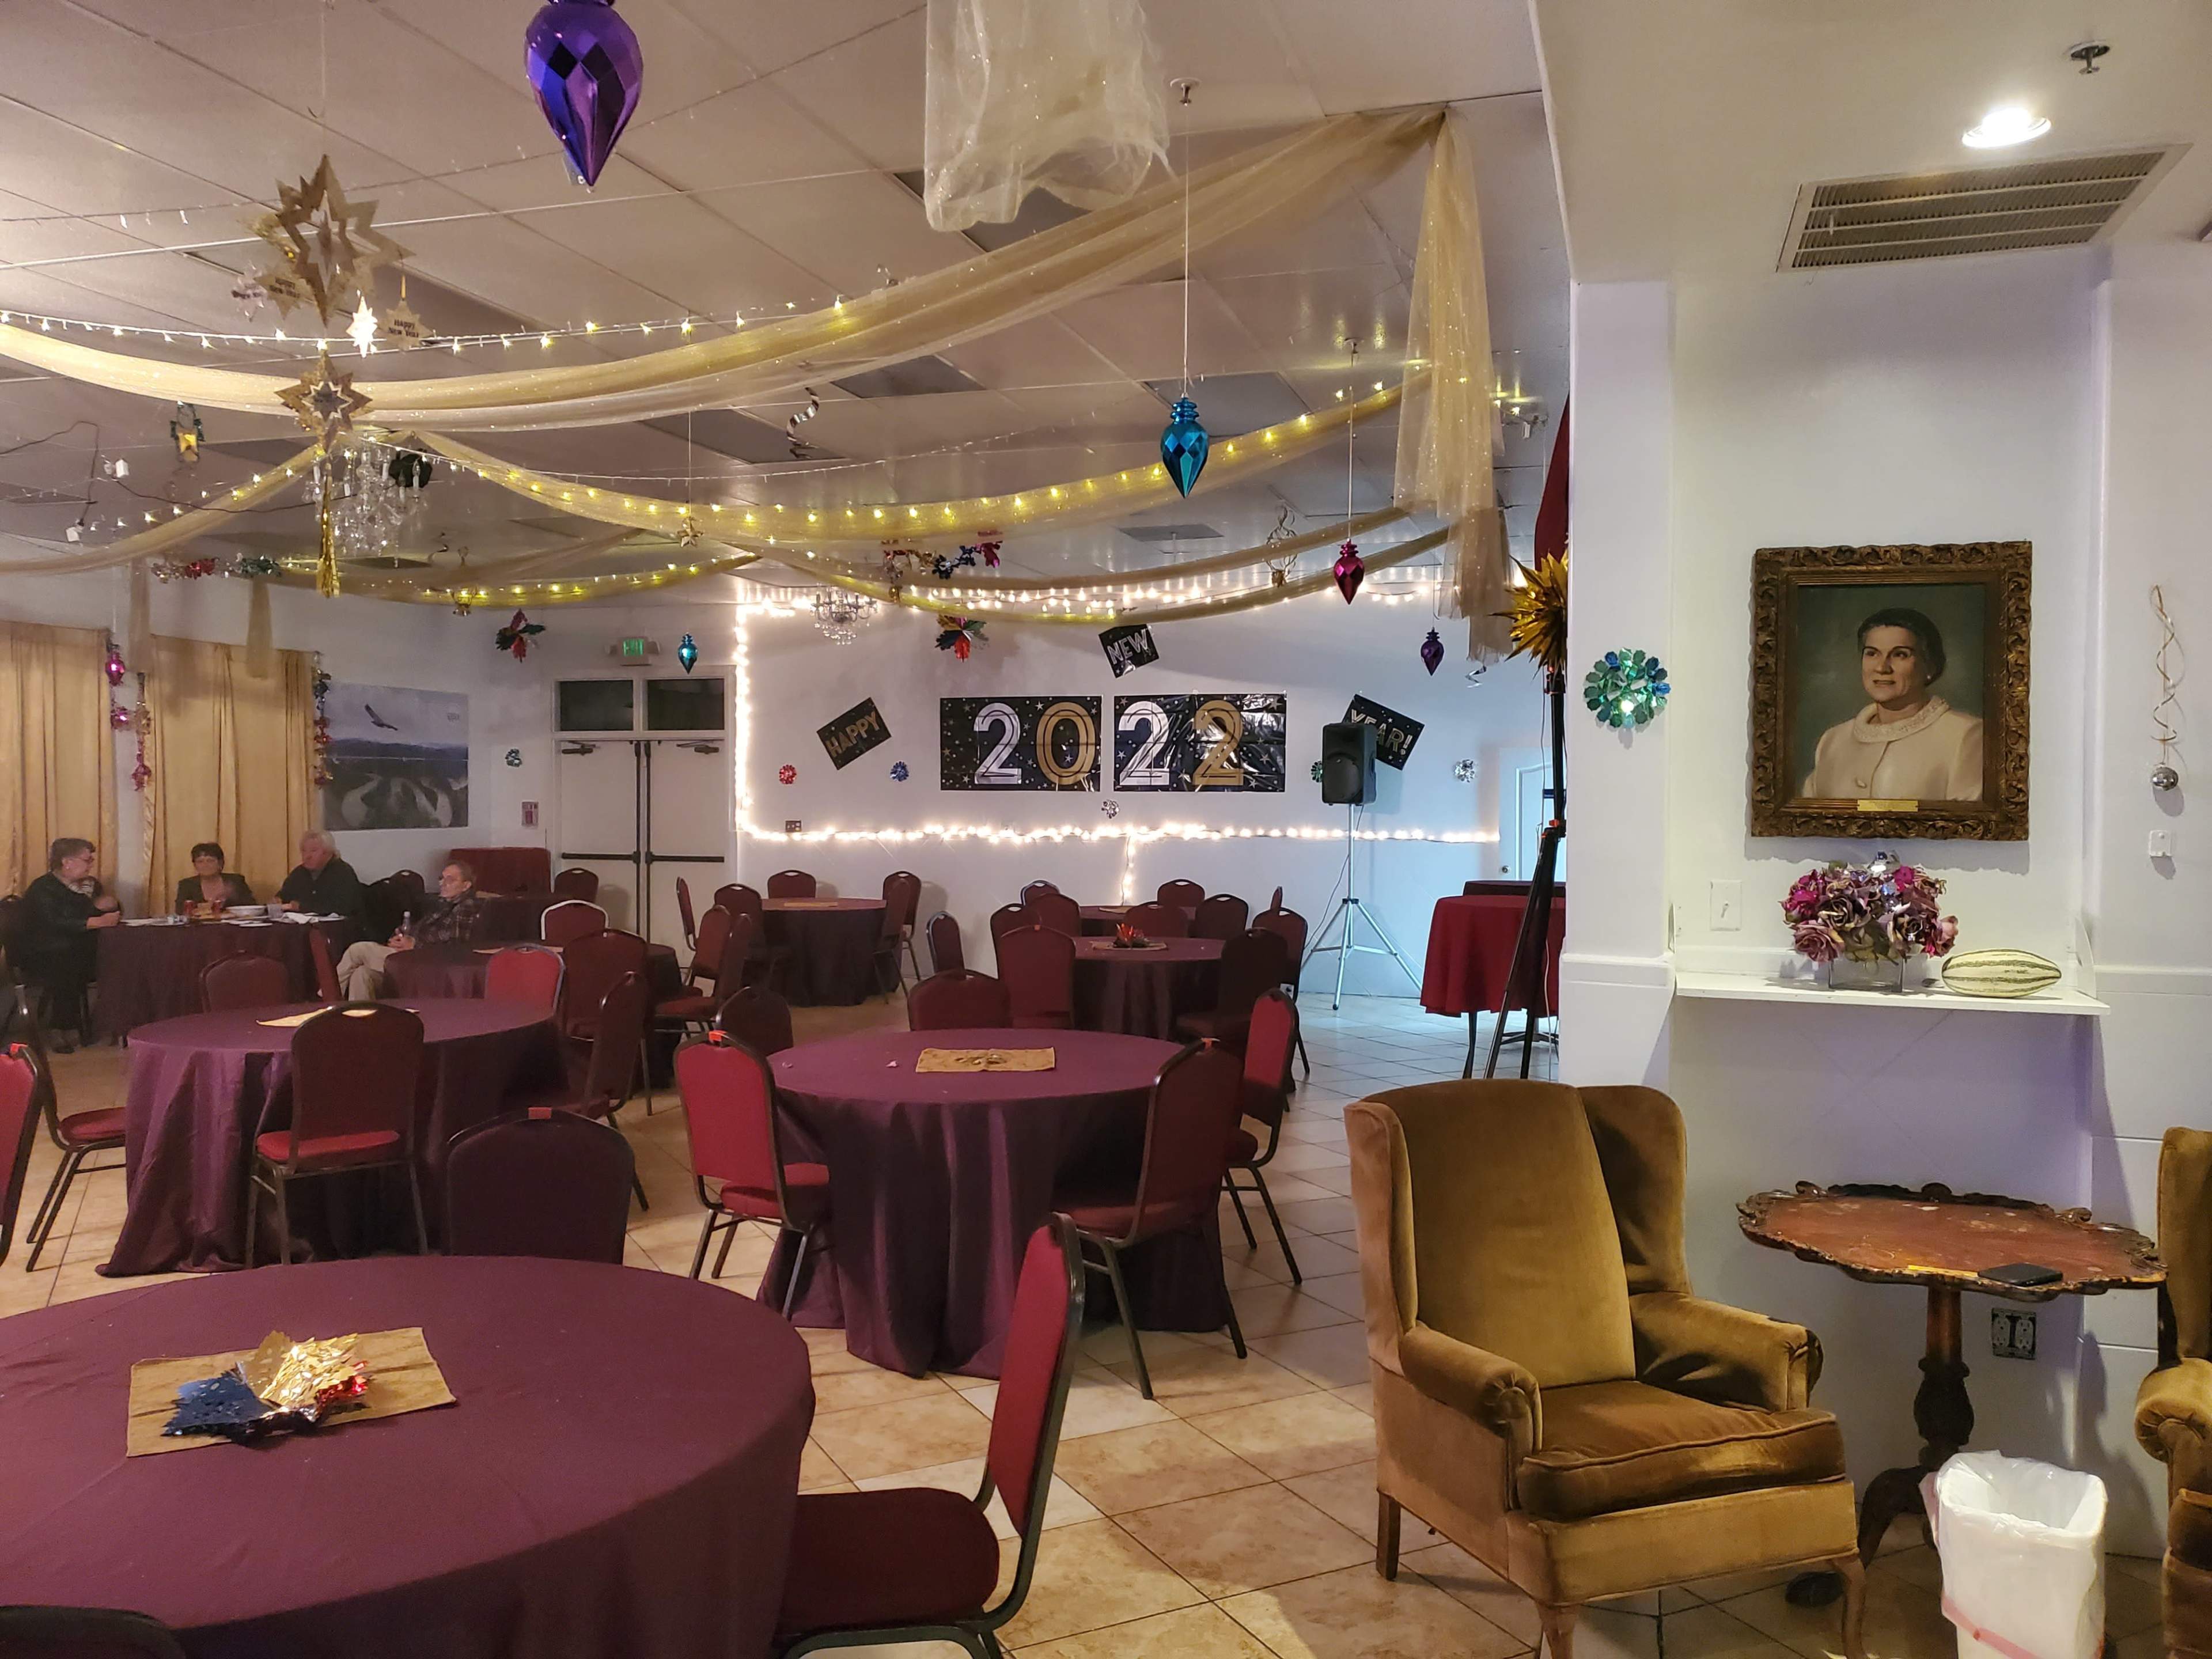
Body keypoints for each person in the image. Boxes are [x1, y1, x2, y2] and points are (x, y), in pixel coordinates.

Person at [1802, 607, 1984, 802]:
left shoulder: (1967, 735)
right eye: (1872, 653)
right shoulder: (1833, 740)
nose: (1882, 668)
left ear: (1930, 666)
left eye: (1900, 655)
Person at [18, 838, 123, 1051]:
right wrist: (95, 921)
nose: (91, 864)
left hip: (76, 949)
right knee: (65, 963)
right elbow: (54, 922)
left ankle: (115, 1021)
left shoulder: (85, 886)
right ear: (67, 862)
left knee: (118, 955)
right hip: (43, 953)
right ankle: (59, 1029)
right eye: (87, 860)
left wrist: (106, 906)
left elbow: (89, 911)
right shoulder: (43, 888)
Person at [332, 861, 484, 1001]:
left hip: (425, 960)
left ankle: (327, 1000)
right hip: (409, 954)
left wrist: (415, 943)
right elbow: (418, 929)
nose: (443, 884)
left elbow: (454, 938)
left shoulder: (467, 905)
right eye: (442, 878)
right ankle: (360, 1023)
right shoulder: (441, 903)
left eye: (450, 880)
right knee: (362, 975)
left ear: (466, 885)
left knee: (358, 950)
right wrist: (400, 937)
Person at [275, 831, 363, 922]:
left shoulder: (343, 872)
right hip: (301, 927)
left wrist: (303, 907)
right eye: (304, 851)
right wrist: (277, 900)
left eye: (313, 851)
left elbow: (343, 906)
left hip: (339, 928)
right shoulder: (299, 873)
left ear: (328, 852)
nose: (307, 856)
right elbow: (285, 895)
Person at [172, 842, 255, 915]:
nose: (205, 865)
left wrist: (232, 896)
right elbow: (180, 911)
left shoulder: (236, 881)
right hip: (197, 929)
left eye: (210, 861)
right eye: (200, 862)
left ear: (220, 863)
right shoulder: (187, 885)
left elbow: (252, 907)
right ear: (195, 865)